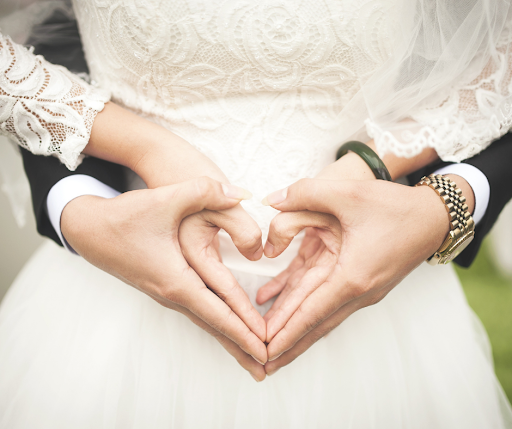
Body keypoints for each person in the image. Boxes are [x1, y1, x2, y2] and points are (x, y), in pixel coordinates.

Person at [1, 1, 512, 428]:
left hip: (381, 305)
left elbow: (491, 45)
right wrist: (139, 153)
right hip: (113, 309)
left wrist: (413, 188)